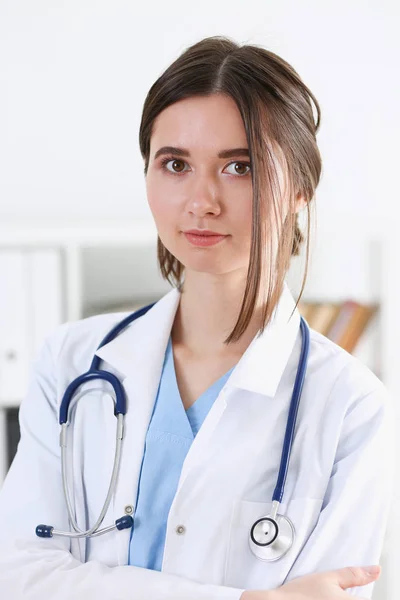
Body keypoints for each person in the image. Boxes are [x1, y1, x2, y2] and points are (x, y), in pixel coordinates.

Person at [0, 36, 394, 600]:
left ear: (301, 189)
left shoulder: (352, 409)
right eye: (176, 164)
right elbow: (18, 576)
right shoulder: (71, 363)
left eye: (239, 166)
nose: (202, 200)